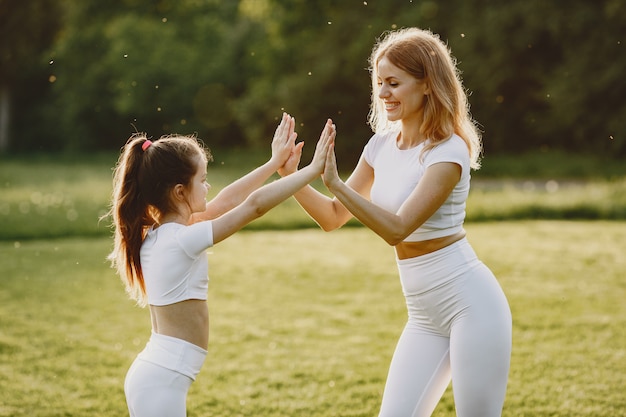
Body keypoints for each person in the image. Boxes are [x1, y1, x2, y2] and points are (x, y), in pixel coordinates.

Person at [279, 28, 512, 416]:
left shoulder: (447, 151)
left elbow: (397, 228)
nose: (384, 93)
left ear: (426, 86)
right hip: (423, 315)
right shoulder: (380, 145)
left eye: (394, 83)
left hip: (472, 306)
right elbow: (333, 217)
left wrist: (336, 182)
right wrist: (290, 175)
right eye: (379, 83)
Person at [106, 113, 335, 417]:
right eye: (202, 180)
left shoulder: (164, 233)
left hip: (156, 376)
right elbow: (253, 206)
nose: (208, 186)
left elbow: (225, 203)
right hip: (163, 380)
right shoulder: (181, 240)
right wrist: (310, 172)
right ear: (179, 192)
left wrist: (273, 164)